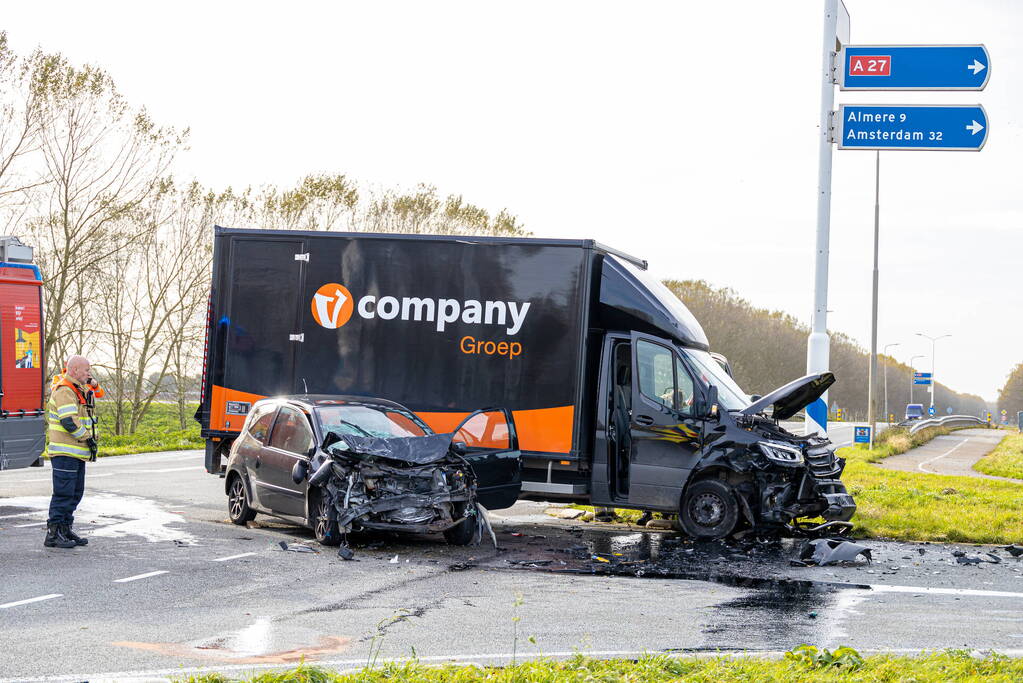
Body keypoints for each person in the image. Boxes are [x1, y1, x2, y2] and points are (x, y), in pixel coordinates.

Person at [44, 355, 100, 549]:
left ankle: (65, 529)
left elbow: (97, 395)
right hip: (65, 453)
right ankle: (53, 535)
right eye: (86, 370)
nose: (89, 373)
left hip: (76, 453)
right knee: (64, 493)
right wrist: (87, 437)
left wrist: (88, 440)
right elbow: (69, 421)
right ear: (75, 370)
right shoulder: (65, 390)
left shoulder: (78, 389)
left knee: (75, 493)